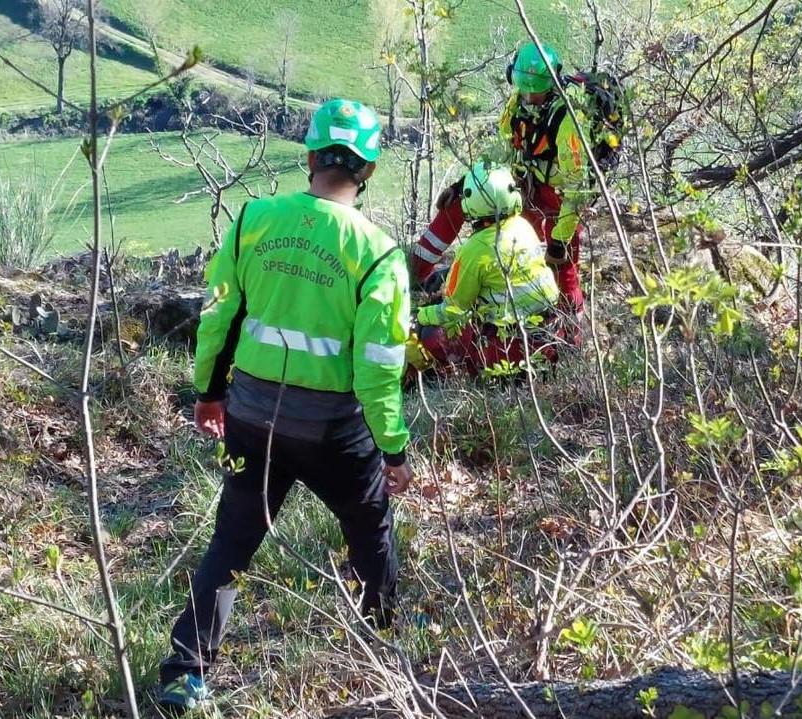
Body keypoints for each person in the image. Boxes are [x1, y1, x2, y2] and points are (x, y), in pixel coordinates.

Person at [157, 98, 413, 712]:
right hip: (335, 431)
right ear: (368, 169)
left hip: (251, 418)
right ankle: (385, 639)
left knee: (233, 541)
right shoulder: (378, 253)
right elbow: (379, 369)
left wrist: (208, 394)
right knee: (369, 527)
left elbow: (219, 317)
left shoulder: (254, 219)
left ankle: (186, 673)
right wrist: (393, 449)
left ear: (310, 157)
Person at [410, 41, 588, 337]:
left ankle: (572, 335)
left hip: (557, 198)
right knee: (458, 203)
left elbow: (577, 188)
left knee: (563, 266)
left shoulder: (566, 120)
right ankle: (415, 271)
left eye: (535, 90)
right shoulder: (517, 104)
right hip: (522, 185)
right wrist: (466, 183)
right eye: (524, 88)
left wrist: (559, 239)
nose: (529, 96)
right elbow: (501, 150)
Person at [408, 161, 560, 376]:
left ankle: (438, 376)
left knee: (430, 332)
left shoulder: (474, 249)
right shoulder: (524, 226)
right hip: (548, 338)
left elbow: (453, 311)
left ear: (470, 201)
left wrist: (420, 316)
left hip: (508, 351)